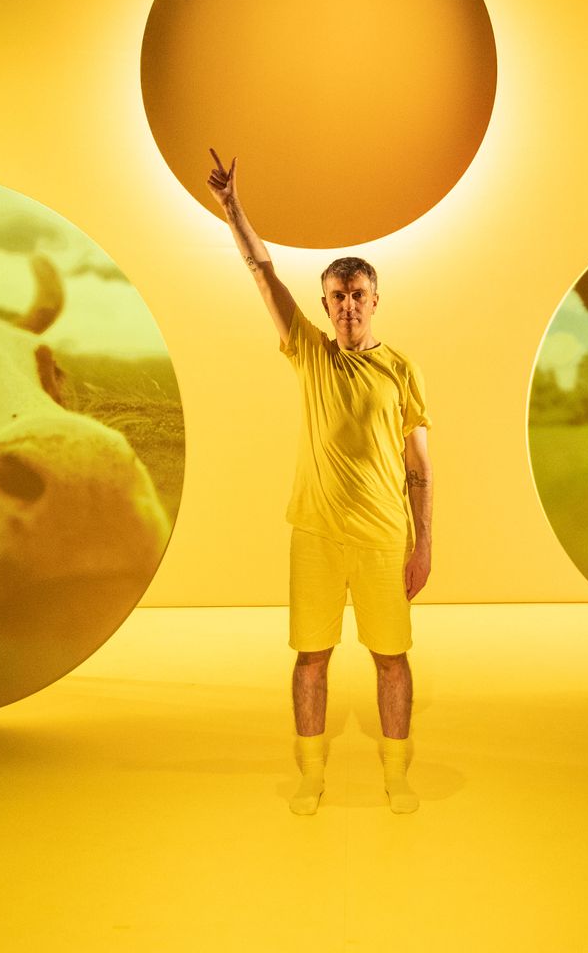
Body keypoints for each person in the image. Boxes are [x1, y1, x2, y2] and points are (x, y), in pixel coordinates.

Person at [206, 151, 433, 815]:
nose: (349, 306)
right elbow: (263, 275)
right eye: (338, 296)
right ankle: (311, 773)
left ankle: (396, 774)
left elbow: (420, 468)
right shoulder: (309, 352)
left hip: (385, 539)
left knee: (391, 659)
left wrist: (424, 546)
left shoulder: (400, 369)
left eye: (359, 294)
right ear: (326, 305)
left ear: (375, 299)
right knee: (312, 656)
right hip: (315, 535)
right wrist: (232, 209)